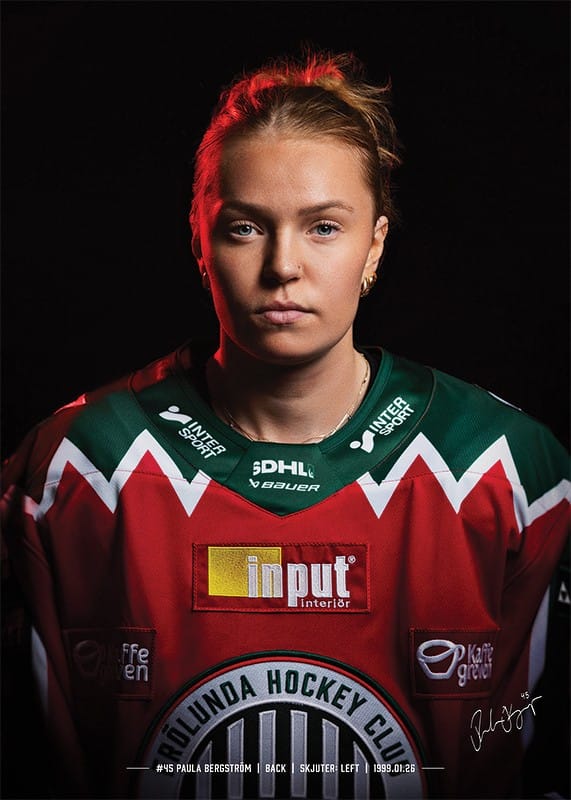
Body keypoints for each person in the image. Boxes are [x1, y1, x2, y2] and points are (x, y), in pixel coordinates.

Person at [1, 49, 569, 800]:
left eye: (323, 227)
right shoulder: (75, 467)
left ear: (375, 245)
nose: (282, 267)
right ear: (198, 241)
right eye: (245, 227)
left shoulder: (507, 470)